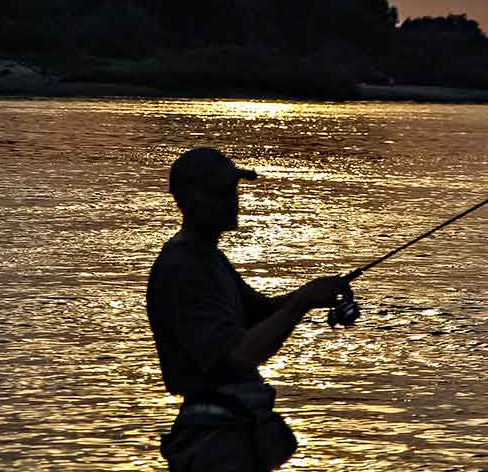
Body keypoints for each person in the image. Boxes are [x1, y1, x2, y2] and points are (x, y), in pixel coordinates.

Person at [147, 147, 351, 471]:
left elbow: (261, 313)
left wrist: (312, 294)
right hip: (215, 443)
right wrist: (302, 302)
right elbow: (239, 355)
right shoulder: (183, 268)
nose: (232, 200)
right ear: (190, 199)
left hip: (232, 431)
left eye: (233, 191)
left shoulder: (209, 258)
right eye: (220, 192)